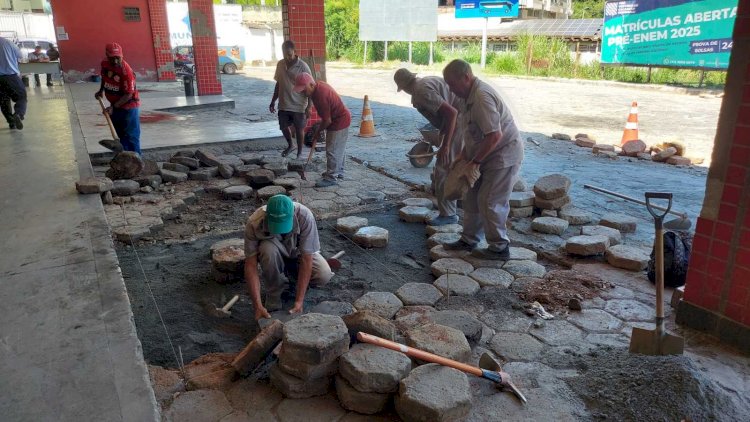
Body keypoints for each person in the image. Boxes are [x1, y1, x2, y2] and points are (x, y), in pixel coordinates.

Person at [442, 59, 524, 260]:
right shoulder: (465, 96)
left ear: (466, 77)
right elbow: (471, 132)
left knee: (490, 200)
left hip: (502, 155)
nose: (451, 90)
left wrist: (475, 162)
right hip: (484, 153)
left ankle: (499, 247)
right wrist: (462, 155)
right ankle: (469, 239)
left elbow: (494, 135)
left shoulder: (481, 97)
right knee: (470, 197)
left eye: (452, 84)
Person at [244, 195, 333, 320]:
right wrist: (257, 305)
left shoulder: (305, 216)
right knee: (267, 249)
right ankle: (274, 293)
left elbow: (307, 258)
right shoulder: (254, 222)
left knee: (323, 275)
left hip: (297, 253)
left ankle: (292, 276)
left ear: (292, 214)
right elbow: (250, 265)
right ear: (267, 215)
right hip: (273, 251)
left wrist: (299, 301)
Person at [394, 68, 462, 226]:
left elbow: (452, 113)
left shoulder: (422, 91)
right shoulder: (425, 82)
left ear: (403, 88)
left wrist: (445, 146)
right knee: (445, 168)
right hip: (458, 121)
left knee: (443, 170)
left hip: (461, 123)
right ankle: (452, 208)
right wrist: (443, 133)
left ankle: (449, 215)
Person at [294, 72, 351, 187]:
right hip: (340, 118)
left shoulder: (320, 94)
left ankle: (331, 178)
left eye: (304, 90)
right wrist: (319, 131)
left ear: (311, 84)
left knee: (333, 149)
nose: (303, 93)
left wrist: (318, 131)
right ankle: (338, 172)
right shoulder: (318, 87)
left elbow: (327, 120)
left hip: (339, 121)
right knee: (338, 148)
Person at [94, 42, 141, 154]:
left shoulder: (126, 71)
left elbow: (128, 94)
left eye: (118, 58)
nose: (115, 61)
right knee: (120, 135)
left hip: (129, 106)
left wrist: (113, 107)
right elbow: (104, 78)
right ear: (107, 55)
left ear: (122, 56)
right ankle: (124, 159)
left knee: (131, 135)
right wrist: (101, 90)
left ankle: (136, 161)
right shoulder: (105, 64)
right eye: (112, 58)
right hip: (115, 105)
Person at [269, 40, 312, 159]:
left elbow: (311, 87)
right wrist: (273, 101)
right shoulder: (280, 64)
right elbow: (278, 83)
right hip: (284, 103)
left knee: (299, 129)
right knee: (283, 126)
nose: (287, 57)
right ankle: (291, 145)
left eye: (289, 54)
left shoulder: (303, 66)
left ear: (294, 52)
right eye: (284, 54)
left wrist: (309, 107)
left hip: (299, 105)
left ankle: (299, 152)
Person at [0, 36, 26, 130]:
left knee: (3, 101)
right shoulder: (8, 43)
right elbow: (20, 56)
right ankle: (18, 114)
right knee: (21, 97)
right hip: (10, 76)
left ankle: (11, 123)